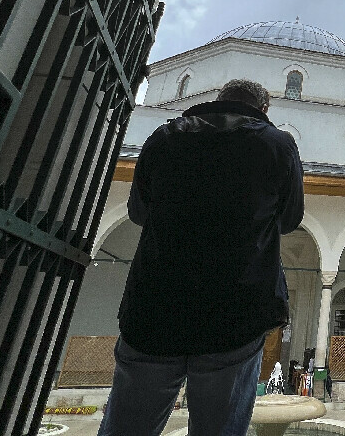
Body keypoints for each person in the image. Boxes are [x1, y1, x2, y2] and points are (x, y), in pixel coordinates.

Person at [98, 79, 304, 436]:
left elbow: (139, 212)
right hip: (234, 315)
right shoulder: (276, 144)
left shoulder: (165, 138)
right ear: (263, 109)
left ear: (217, 100)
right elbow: (289, 219)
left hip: (155, 309)